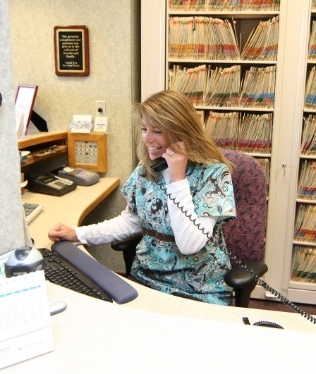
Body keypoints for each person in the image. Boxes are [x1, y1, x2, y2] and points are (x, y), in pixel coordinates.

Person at [48, 90, 236, 304]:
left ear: (183, 133)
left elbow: (189, 245)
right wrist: (79, 234)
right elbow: (132, 221)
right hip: (147, 281)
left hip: (199, 289)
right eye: (144, 129)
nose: (147, 138)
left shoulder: (213, 173)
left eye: (157, 131)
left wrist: (177, 178)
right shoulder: (147, 169)